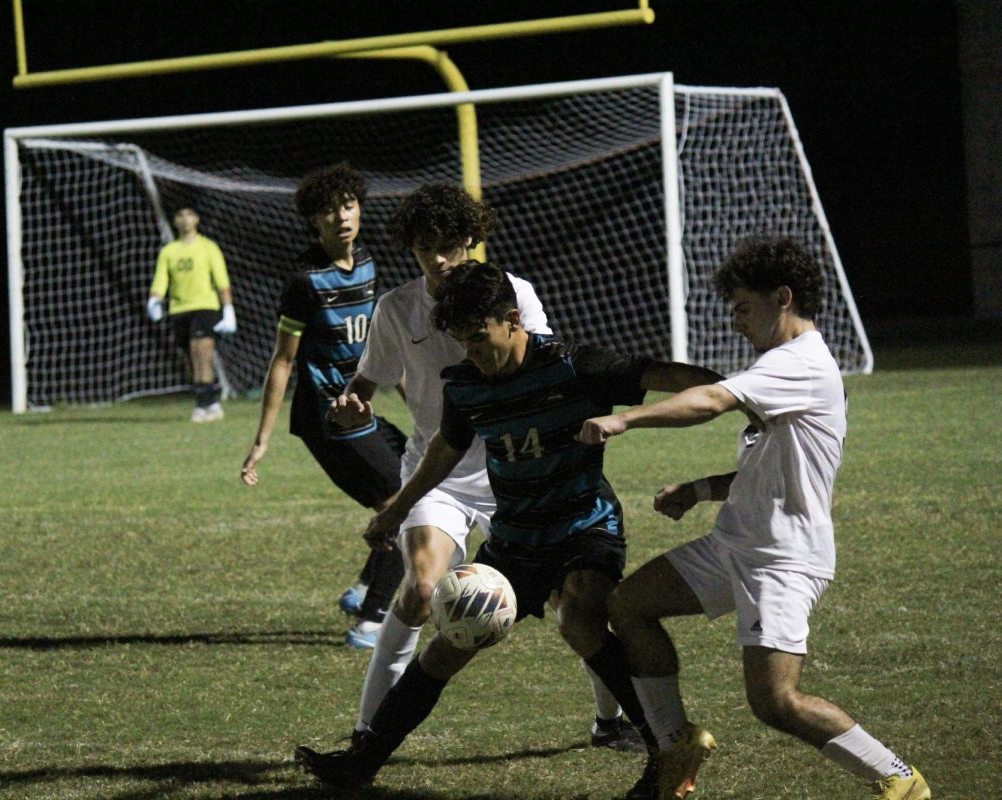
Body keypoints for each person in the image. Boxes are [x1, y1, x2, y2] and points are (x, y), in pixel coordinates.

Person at [295, 260, 725, 798]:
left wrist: (740, 394)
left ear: (513, 319)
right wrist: (397, 508)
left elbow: (666, 374)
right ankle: (363, 761)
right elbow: (442, 454)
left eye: (480, 339)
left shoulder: (574, 366)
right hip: (517, 536)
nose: (473, 354)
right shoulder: (467, 387)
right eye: (462, 343)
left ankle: (665, 747)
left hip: (584, 526)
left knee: (580, 617)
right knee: (450, 639)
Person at [579, 237, 930, 800]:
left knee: (777, 703)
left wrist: (628, 419)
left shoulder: (801, 363)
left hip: (784, 558)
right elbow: (769, 470)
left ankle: (899, 779)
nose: (736, 322)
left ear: (782, 298)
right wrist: (698, 489)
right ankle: (676, 745)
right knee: (628, 604)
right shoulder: (780, 367)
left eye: (743, 307)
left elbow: (710, 400)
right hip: (734, 545)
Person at [318, 184, 640, 750]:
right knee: (420, 589)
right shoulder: (396, 309)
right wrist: (351, 406)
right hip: (437, 471)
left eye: (447, 245)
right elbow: (365, 383)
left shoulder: (512, 293)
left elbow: (544, 368)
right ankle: (368, 733)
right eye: (424, 249)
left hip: (517, 471)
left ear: (471, 238)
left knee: (575, 603)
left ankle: (609, 722)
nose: (437, 260)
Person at [239, 163, 406, 649]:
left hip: (361, 409)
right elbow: (283, 361)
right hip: (328, 418)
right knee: (407, 503)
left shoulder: (370, 263)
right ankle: (371, 622)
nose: (342, 216)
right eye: (330, 211)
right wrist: (261, 442)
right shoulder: (304, 280)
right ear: (315, 221)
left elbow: (374, 343)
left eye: (349, 205)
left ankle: (360, 592)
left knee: (413, 475)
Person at [147, 205, 236, 423]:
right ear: (175, 221)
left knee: (201, 352)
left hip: (205, 307)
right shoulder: (169, 251)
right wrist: (154, 300)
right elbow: (161, 280)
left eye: (189, 214)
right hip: (179, 310)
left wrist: (228, 309)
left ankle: (203, 404)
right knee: (190, 359)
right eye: (180, 215)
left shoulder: (208, 247)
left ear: (197, 219)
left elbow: (221, 280)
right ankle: (211, 402)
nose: (185, 219)